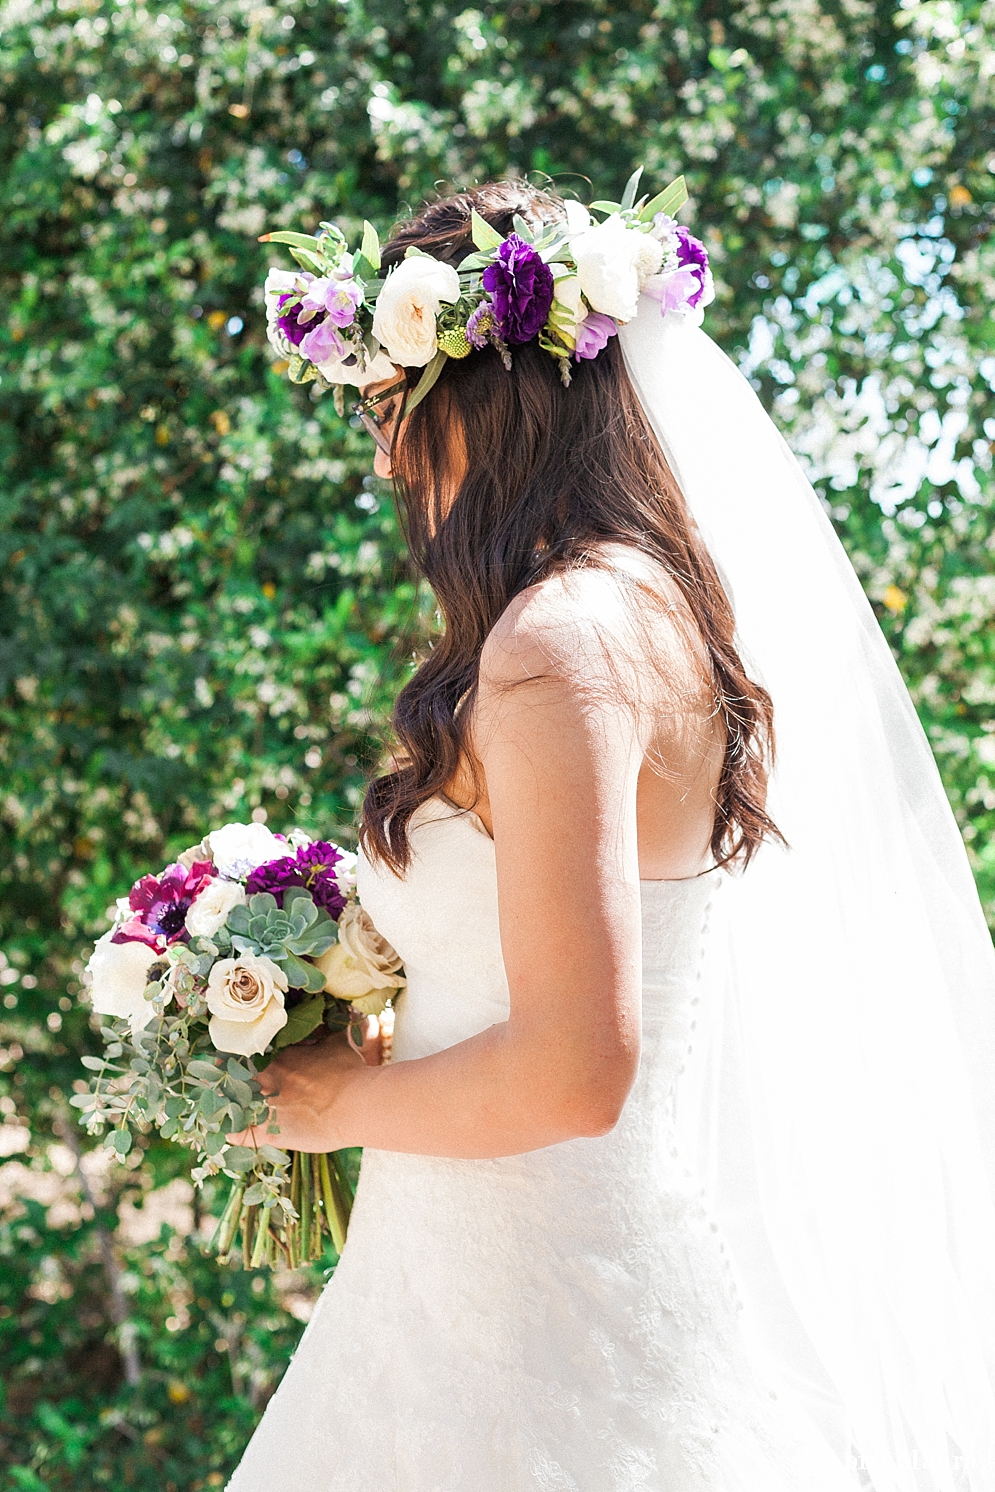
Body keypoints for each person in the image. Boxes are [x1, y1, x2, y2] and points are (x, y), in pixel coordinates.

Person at [229, 182, 995, 1491]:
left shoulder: (559, 645)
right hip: (465, 1296)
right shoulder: (640, 607)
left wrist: (328, 1104)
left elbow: (578, 1071)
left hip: (537, 1349)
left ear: (466, 391)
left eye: (382, 405)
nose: (381, 459)